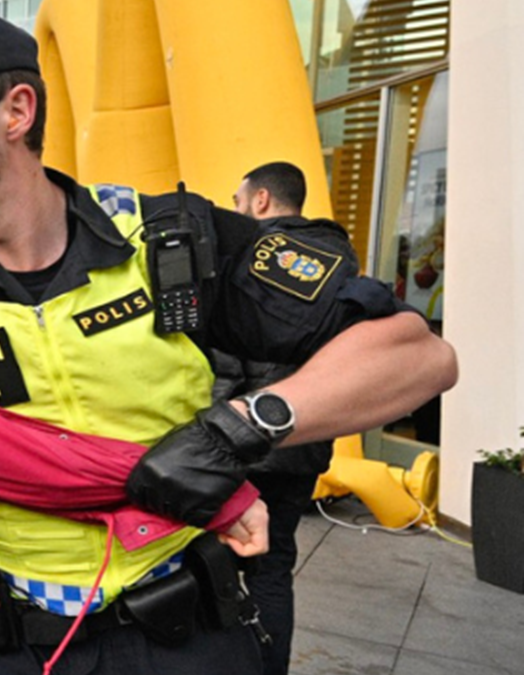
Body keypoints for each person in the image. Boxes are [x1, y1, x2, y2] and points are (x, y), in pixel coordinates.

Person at [0, 11, 457, 675]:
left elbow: (419, 354)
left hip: (188, 635)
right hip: (11, 646)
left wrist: (242, 427)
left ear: (17, 111)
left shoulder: (169, 238)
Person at [225, 160, 346, 675]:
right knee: (274, 570)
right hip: (304, 440)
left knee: (220, 567)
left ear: (260, 201)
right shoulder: (340, 264)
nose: (235, 209)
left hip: (241, 440)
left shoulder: (245, 256)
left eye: (237, 200)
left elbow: (224, 357)